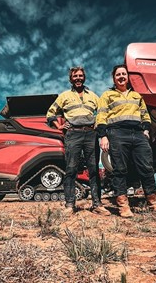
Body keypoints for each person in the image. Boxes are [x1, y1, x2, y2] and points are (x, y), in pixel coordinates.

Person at [96, 64, 156, 217]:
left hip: (138, 134)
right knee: (119, 170)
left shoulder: (136, 96)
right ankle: (123, 207)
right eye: (118, 75)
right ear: (114, 78)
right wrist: (103, 136)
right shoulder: (107, 95)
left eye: (124, 74)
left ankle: (153, 202)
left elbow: (145, 115)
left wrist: (146, 130)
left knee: (146, 167)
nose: (121, 77)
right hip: (117, 133)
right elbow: (101, 116)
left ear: (127, 77)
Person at [46, 66, 110, 216]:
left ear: (84, 77)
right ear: (71, 78)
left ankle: (97, 204)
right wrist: (60, 125)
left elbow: (102, 113)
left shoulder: (94, 96)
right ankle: (70, 205)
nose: (78, 78)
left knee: (94, 170)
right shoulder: (64, 96)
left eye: (81, 76)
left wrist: (98, 124)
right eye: (75, 76)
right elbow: (50, 113)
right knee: (71, 169)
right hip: (72, 134)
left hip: (90, 135)